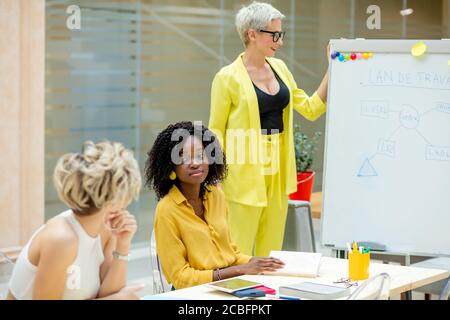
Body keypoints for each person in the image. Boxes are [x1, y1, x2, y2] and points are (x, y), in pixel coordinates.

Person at [208, 1, 329, 256]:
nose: (280, 41)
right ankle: (237, 295)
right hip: (242, 171)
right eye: (274, 34)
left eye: (280, 34)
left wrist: (333, 68)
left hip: (279, 169)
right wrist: (214, 178)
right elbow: (216, 130)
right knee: (238, 249)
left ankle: (265, 295)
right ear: (252, 34)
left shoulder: (281, 68)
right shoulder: (227, 77)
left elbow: (309, 108)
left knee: (271, 250)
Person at [144, 121, 284, 289]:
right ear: (170, 167)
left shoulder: (216, 195)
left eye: (200, 155)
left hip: (226, 286)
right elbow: (180, 278)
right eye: (183, 157)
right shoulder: (167, 209)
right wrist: (239, 270)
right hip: (193, 294)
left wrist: (258, 263)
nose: (194, 163)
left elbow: (230, 254)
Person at [7, 141, 143, 300]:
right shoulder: (61, 239)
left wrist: (123, 245)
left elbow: (108, 293)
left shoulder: (106, 228)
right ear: (114, 200)